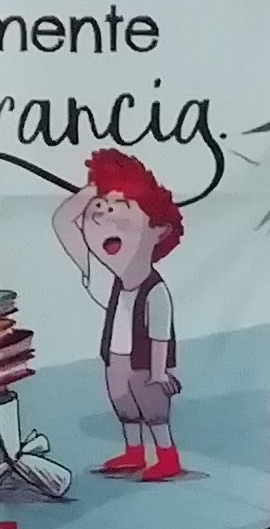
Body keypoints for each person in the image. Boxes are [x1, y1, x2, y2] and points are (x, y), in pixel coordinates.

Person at [50, 150, 186, 482]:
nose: (104, 217)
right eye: (98, 210)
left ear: (158, 230)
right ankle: (133, 452)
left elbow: (159, 334)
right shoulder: (105, 280)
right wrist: (92, 189)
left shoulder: (155, 291)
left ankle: (167, 456)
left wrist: (159, 372)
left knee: (153, 408)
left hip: (145, 363)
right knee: (123, 403)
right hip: (116, 357)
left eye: (120, 211)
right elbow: (62, 222)